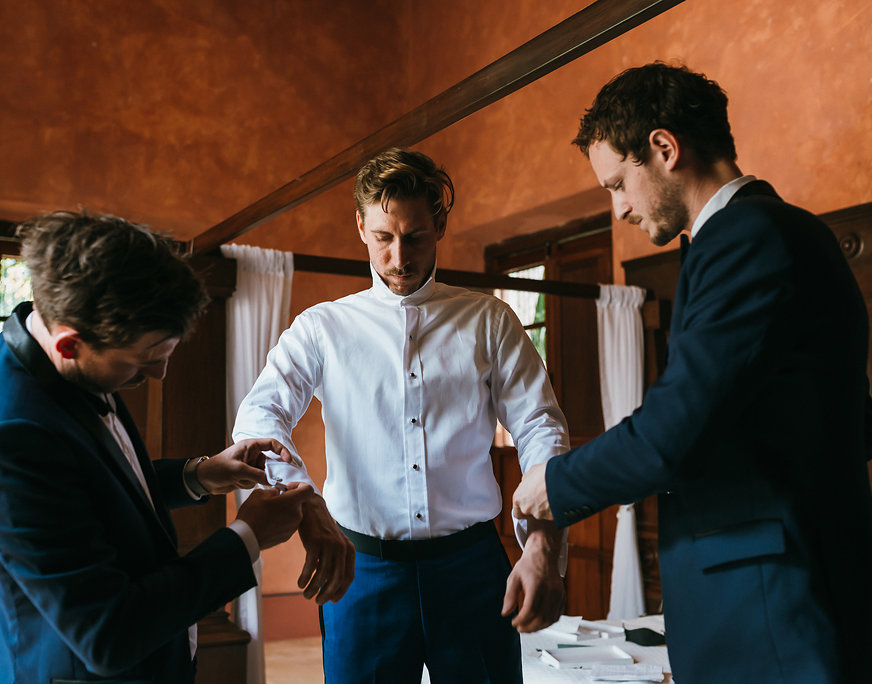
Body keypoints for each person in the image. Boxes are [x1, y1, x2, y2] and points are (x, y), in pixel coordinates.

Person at [512, 62, 872, 683]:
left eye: (618, 184)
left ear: (663, 147)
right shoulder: (785, 233)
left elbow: (672, 433)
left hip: (770, 604)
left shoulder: (745, 239)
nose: (619, 208)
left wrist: (556, 484)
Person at [232, 147, 570, 683]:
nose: (398, 258)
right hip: (359, 570)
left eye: (415, 236)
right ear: (361, 226)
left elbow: (539, 427)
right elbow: (258, 420)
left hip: (473, 568)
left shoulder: (491, 320)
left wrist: (543, 543)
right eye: (384, 238)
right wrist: (306, 505)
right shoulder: (321, 328)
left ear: (439, 226)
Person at [0, 210, 316, 684]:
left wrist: (199, 475)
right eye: (146, 360)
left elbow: (91, 492)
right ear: (69, 345)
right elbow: (108, 634)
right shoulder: (8, 440)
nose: (158, 375)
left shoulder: (57, 355)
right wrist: (247, 537)